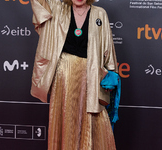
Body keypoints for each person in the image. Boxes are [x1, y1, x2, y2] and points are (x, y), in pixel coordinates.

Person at [30, 0, 118, 149]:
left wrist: (111, 74)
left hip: (92, 74)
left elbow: (108, 45)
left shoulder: (100, 13)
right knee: (65, 117)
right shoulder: (58, 8)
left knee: (94, 117)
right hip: (63, 75)